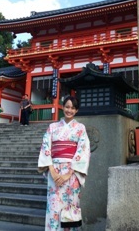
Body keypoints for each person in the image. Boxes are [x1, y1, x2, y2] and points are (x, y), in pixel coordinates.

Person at [38, 95, 90, 231]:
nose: (69, 110)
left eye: (73, 108)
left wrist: (69, 174)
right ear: (62, 107)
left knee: (70, 208)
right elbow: (46, 147)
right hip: (54, 171)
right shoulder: (52, 127)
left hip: (72, 174)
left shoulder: (80, 128)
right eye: (67, 107)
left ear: (76, 110)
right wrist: (52, 171)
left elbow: (83, 151)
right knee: (54, 207)